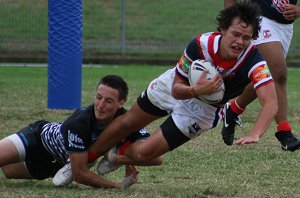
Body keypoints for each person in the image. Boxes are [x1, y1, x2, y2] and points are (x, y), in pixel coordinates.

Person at [83, 1, 277, 166]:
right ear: (223, 29)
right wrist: (196, 89)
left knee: (145, 154)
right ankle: (84, 160)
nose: (240, 42)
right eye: (235, 34)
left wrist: (256, 133)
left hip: (203, 110)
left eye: (246, 37)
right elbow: (176, 89)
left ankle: (117, 152)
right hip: (177, 86)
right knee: (127, 122)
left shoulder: (254, 60)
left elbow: (271, 102)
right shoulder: (200, 45)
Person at [0, 75, 161, 189]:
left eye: (108, 100)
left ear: (121, 103)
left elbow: (156, 157)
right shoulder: (80, 122)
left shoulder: (126, 120)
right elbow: (80, 174)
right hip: (38, 140)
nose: (100, 105)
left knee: (8, 171)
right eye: (99, 97)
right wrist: (117, 186)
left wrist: (126, 161)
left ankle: (110, 155)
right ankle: (110, 154)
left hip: (55, 166)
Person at [222, 0, 300, 151]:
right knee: (279, 73)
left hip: (285, 26)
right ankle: (284, 133)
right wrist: (230, 20)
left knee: (266, 76)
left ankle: (233, 109)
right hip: (260, 18)